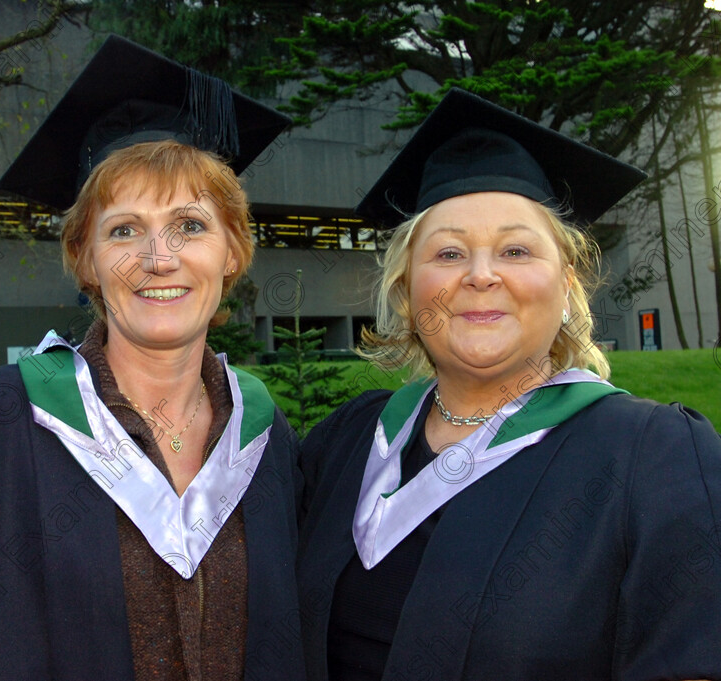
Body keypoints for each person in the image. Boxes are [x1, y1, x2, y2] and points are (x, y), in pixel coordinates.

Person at [0, 35, 304, 681]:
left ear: (233, 251)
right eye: (124, 229)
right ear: (85, 257)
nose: (159, 258)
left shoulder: (270, 441)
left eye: (190, 225)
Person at [297, 88, 721, 681]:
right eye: (447, 253)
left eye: (516, 249)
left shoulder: (653, 459)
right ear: (407, 288)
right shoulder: (345, 443)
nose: (480, 275)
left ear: (566, 283)